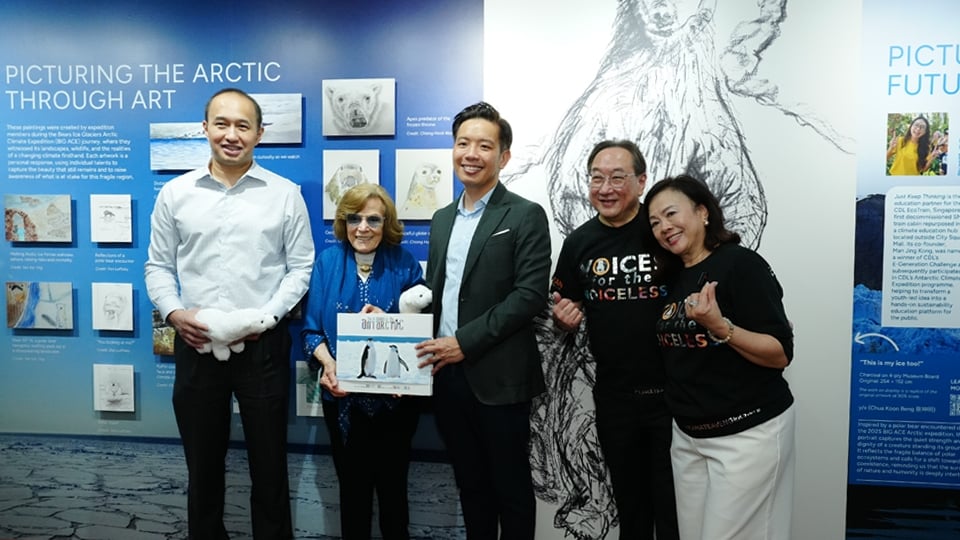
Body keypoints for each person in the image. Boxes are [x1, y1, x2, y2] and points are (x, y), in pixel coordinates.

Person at [144, 88, 315, 539]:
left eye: (243, 125)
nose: (231, 135)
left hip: (263, 347)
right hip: (196, 344)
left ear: (260, 133)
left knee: (270, 468)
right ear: (205, 128)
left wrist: (265, 319)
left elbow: (300, 268)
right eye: (221, 124)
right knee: (202, 468)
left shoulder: (285, 194)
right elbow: (157, 266)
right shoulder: (175, 193)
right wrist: (175, 314)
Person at [415, 102, 551, 540]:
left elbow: (529, 296)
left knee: (511, 490)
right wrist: (395, 322)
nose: (471, 154)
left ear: (503, 156)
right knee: (471, 487)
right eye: (463, 143)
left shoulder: (524, 214)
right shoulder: (441, 219)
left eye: (484, 146)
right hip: (447, 376)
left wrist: (464, 342)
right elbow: (434, 292)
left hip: (499, 379)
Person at [643, 175, 795, 540]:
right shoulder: (673, 277)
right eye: (655, 223)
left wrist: (719, 325)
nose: (664, 227)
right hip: (688, 437)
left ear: (702, 212)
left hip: (746, 435)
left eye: (671, 214)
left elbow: (779, 353)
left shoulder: (741, 264)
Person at [551, 140, 679, 540]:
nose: (605, 188)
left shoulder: (662, 233)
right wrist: (563, 321)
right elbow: (565, 310)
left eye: (617, 178)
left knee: (675, 510)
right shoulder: (578, 243)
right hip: (615, 399)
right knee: (631, 508)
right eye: (596, 178)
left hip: (674, 397)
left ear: (641, 182)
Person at [301, 183, 424, 540]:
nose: (363, 228)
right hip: (344, 404)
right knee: (353, 497)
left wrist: (391, 323)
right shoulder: (327, 263)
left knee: (394, 498)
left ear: (387, 223)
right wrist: (328, 365)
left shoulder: (404, 263)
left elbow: (421, 328)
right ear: (344, 222)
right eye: (354, 218)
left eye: (374, 219)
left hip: (395, 405)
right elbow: (311, 333)